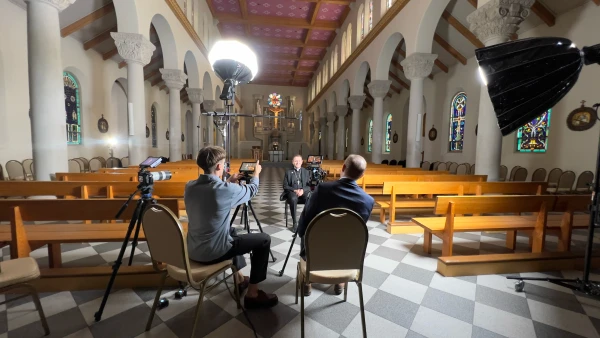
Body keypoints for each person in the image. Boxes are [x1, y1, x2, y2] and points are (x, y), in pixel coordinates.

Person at [184, 146, 278, 309]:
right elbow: (252, 190)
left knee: (231, 230)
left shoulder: (190, 186)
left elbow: (213, 193)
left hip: (192, 249)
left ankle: (240, 279)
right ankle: (253, 294)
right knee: (263, 240)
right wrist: (256, 174)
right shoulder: (223, 191)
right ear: (220, 167)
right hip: (212, 252)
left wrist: (228, 181)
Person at [296, 154, 374, 296]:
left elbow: (306, 220)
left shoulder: (322, 189)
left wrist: (301, 231)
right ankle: (340, 280)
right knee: (345, 236)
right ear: (362, 175)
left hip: (316, 252)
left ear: (343, 168)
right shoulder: (368, 201)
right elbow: (356, 231)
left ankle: (307, 281)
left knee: (307, 230)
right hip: (347, 256)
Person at [282, 154, 312, 231]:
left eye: (299, 161)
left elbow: (309, 186)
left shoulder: (306, 172)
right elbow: (285, 186)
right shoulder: (288, 172)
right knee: (293, 198)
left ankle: (306, 221)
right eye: (295, 161)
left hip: (303, 191)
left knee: (309, 198)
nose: (297, 162)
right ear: (292, 162)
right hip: (292, 191)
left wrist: (302, 190)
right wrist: (294, 190)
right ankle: (295, 222)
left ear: (302, 162)